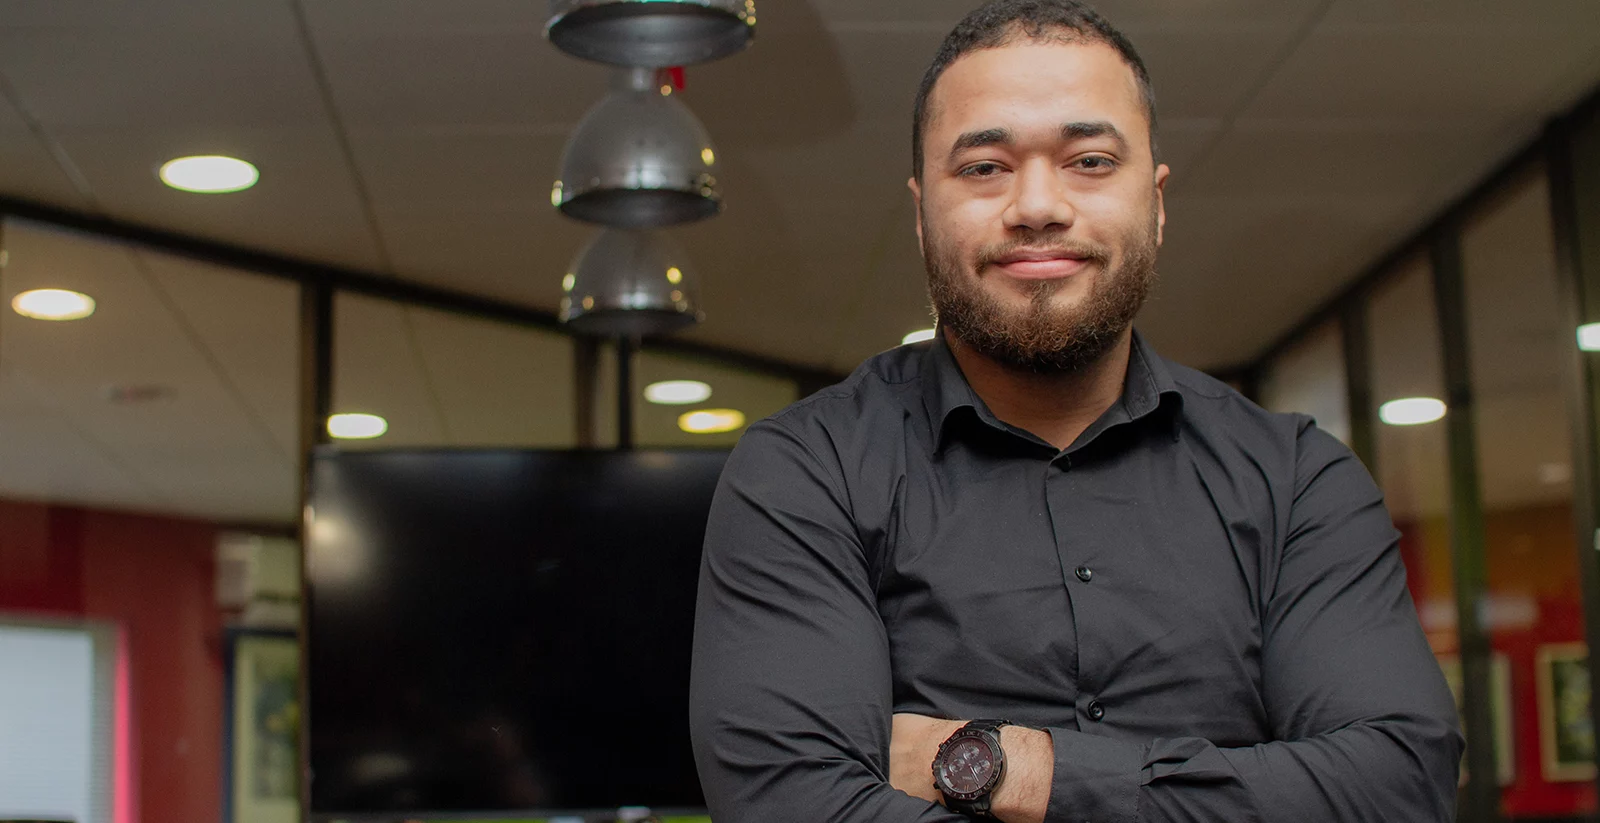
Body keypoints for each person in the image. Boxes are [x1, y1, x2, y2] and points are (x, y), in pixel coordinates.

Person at [688, 1, 1463, 820]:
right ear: (920, 216)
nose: (1036, 205)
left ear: (1157, 203)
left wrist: (1003, 766)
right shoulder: (807, 472)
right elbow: (799, 808)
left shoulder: (1298, 479)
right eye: (984, 167)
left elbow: (1398, 786)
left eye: (1088, 160)